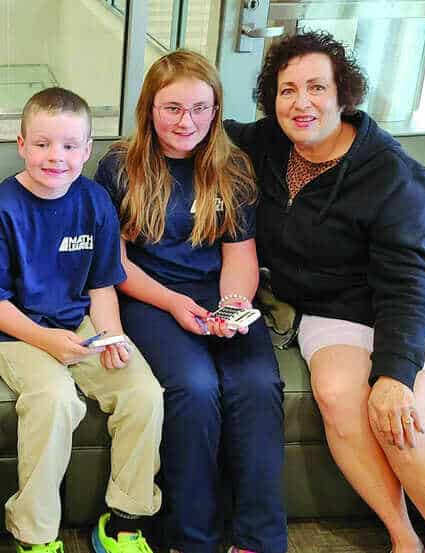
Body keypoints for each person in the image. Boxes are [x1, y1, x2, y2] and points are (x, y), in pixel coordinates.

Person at [226, 31, 425, 553]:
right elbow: (204, 127)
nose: (301, 102)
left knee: (399, 418)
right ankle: (404, 540)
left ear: (343, 94)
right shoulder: (267, 143)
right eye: (288, 89)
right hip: (332, 308)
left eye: (317, 87)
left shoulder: (392, 174)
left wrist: (395, 374)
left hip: (422, 301)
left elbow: (406, 285)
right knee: (340, 398)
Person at [94, 50, 286, 553]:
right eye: (173, 108)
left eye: (201, 108)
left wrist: (233, 306)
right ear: (149, 109)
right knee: (195, 388)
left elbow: (240, 253)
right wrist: (174, 303)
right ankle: (192, 538)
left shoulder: (233, 166)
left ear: (216, 109)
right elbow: (114, 263)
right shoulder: (119, 166)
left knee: (257, 384)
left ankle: (258, 539)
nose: (188, 122)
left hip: (220, 294)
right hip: (150, 296)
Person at [0, 87, 163, 553]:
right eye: (42, 144)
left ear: (87, 149)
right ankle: (35, 537)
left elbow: (101, 286)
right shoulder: (1, 208)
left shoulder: (95, 202)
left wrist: (112, 335)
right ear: (22, 145)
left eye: (70, 145)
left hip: (81, 325)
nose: (56, 156)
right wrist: (47, 341)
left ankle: (123, 522)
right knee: (55, 400)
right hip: (19, 331)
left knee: (143, 392)